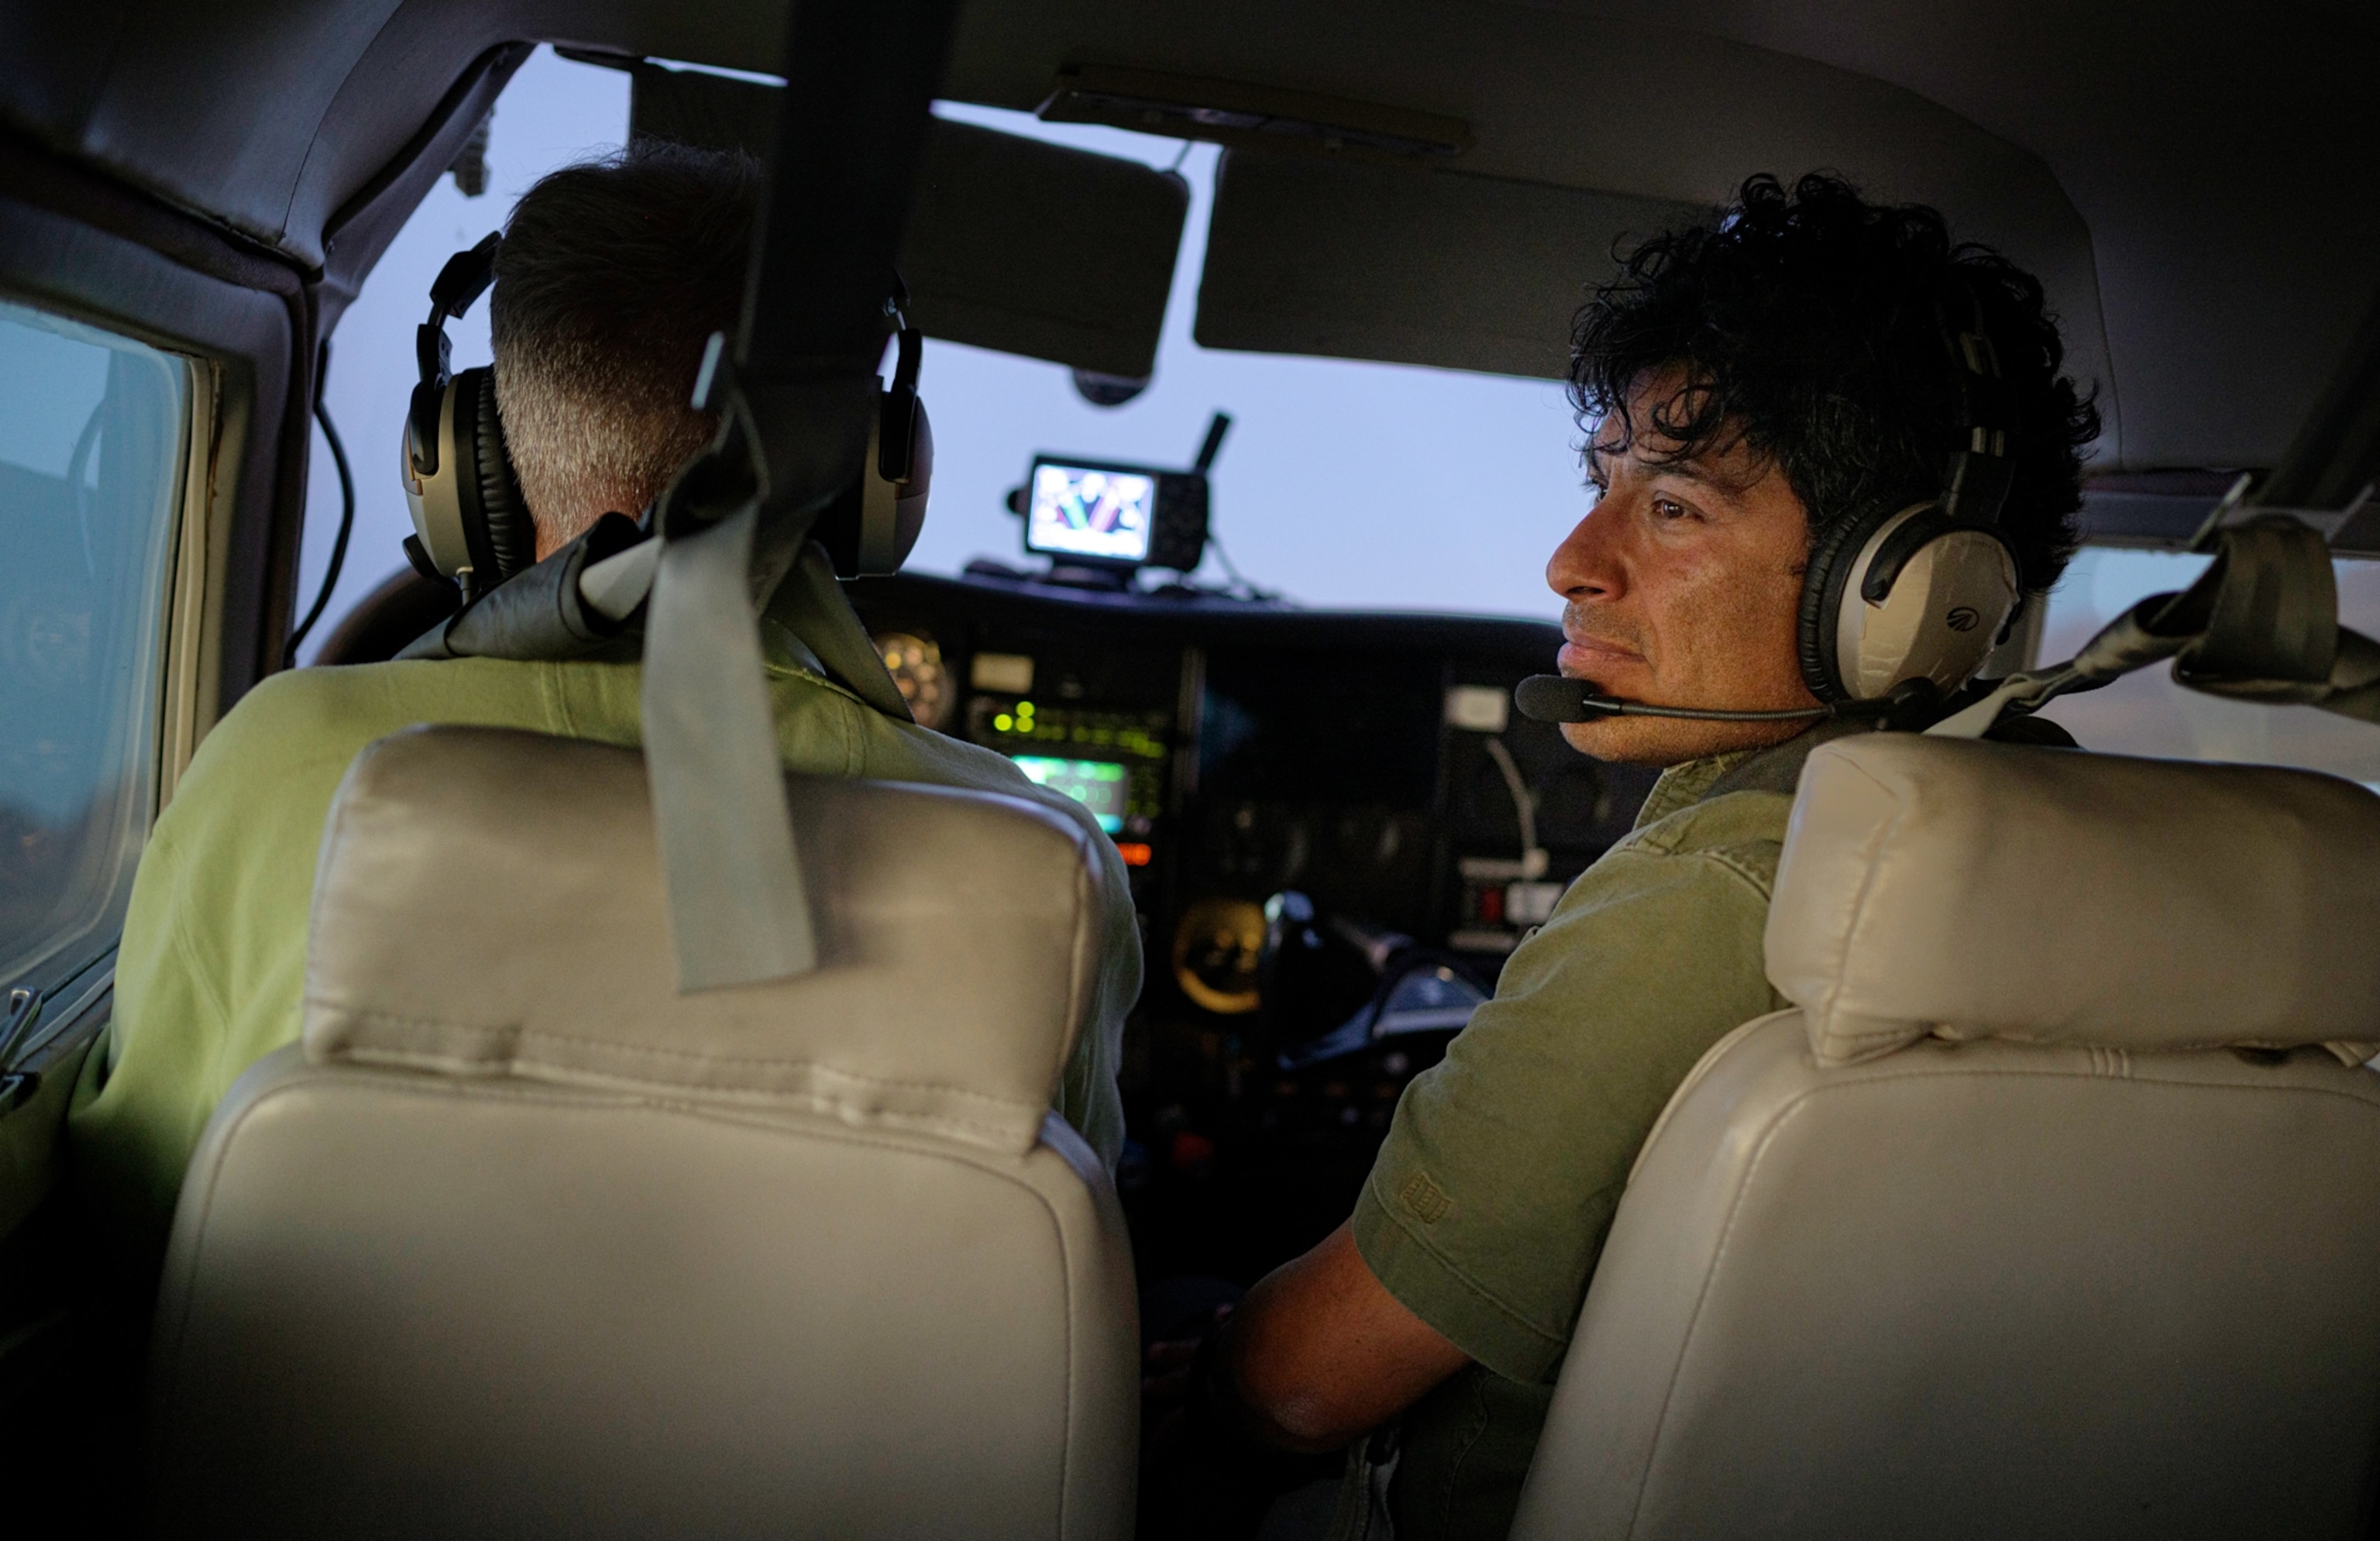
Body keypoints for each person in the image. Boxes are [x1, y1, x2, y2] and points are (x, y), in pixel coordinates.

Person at [1157, 172, 2102, 1539]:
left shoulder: (1711, 897)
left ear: (1904, 591)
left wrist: (1207, 1376)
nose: (1567, 562)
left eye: (1672, 508)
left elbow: (1304, 1387)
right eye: (1601, 485)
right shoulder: (2084, 853)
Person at [68, 143, 1140, 1261]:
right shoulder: (1042, 863)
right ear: (875, 476)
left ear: (460, 457)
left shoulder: (282, 766)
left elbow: (136, 1215)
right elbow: (1061, 1245)